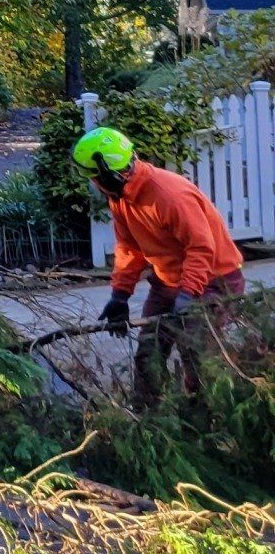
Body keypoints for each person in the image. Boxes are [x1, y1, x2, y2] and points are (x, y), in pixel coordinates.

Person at [73, 127, 247, 408]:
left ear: (106, 174)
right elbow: (129, 248)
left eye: (93, 177)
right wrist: (120, 294)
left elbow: (201, 248)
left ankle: (208, 419)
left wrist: (189, 293)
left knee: (197, 354)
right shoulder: (120, 198)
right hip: (168, 283)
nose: (93, 183)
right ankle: (148, 419)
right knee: (148, 354)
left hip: (213, 279)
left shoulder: (169, 195)